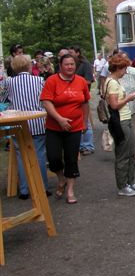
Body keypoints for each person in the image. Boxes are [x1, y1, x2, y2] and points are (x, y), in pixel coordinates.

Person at [40, 53, 90, 204]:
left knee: (71, 158)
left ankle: (70, 190)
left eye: (72, 64)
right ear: (60, 66)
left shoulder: (81, 82)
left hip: (74, 127)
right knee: (53, 157)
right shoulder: (52, 80)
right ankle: (61, 178)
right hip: (54, 127)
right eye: (67, 64)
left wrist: (85, 122)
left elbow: (85, 103)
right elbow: (46, 102)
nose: (70, 67)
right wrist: (59, 119)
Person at [0, 54, 49, 200]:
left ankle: (24, 189)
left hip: (18, 123)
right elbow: (44, 100)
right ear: (29, 65)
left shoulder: (9, 82)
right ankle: (43, 187)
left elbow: (2, 99)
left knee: (21, 156)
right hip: (38, 122)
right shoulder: (40, 80)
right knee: (40, 154)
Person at [105, 54, 135, 197]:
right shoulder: (113, 83)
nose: (126, 72)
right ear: (118, 68)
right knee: (124, 153)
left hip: (125, 119)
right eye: (124, 69)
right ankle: (123, 185)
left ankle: (130, 182)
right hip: (121, 120)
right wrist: (129, 97)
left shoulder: (113, 81)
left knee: (131, 151)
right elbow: (114, 105)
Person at [69, 46, 95, 155]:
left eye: (71, 52)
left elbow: (89, 81)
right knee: (75, 122)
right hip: (71, 97)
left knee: (85, 121)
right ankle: (78, 145)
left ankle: (88, 145)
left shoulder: (86, 65)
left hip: (82, 97)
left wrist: (75, 82)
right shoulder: (70, 66)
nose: (69, 54)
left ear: (77, 53)